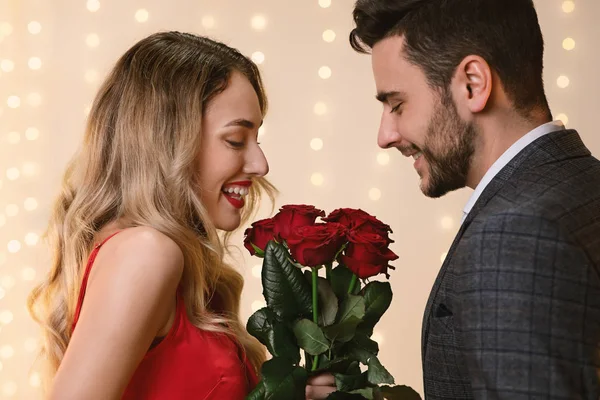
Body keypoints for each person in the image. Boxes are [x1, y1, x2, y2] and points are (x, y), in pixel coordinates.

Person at [349, 0, 600, 398]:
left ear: (473, 83)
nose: (386, 135)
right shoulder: (584, 183)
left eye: (397, 105)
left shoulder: (513, 235)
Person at [27, 31, 295, 400]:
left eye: (257, 140)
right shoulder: (147, 251)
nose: (259, 164)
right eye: (236, 140)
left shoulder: (156, 254)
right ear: (169, 140)